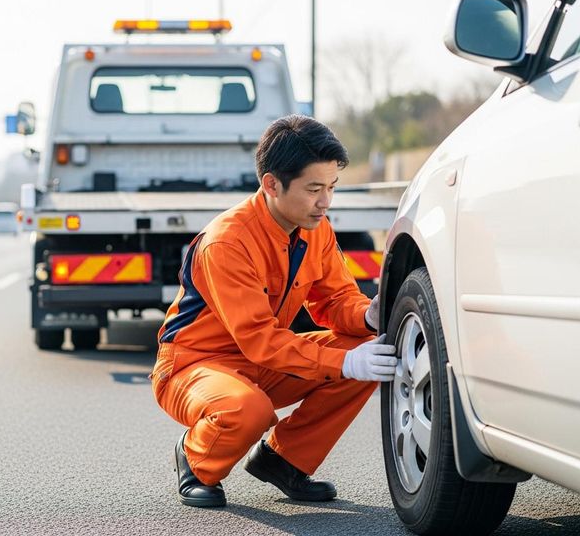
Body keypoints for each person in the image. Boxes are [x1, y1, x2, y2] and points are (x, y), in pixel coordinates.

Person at [150, 114, 398, 508]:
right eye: (314, 189)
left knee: (371, 350)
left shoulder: (316, 228)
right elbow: (260, 340)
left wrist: (368, 315)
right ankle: (195, 460)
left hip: (262, 361)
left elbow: (336, 300)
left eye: (332, 187)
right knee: (247, 409)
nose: (325, 202)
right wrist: (345, 363)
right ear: (271, 184)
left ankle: (284, 460)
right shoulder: (227, 242)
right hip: (194, 365)